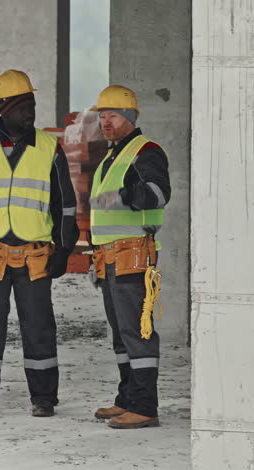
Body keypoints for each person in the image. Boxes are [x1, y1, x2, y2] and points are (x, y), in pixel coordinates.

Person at [0, 69, 78, 417]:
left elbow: (65, 205)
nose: (31, 112)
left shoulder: (50, 149)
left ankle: (43, 398)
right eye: (24, 106)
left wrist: (64, 249)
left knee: (39, 328)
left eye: (33, 105)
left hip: (35, 255)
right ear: (4, 107)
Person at [88, 85, 170, 429]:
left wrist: (120, 197)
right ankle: (127, 399)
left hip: (132, 255)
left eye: (113, 115)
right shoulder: (112, 155)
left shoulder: (145, 151)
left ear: (131, 117)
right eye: (102, 115)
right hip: (110, 258)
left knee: (138, 331)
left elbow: (157, 194)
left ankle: (145, 406)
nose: (105, 121)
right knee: (122, 334)